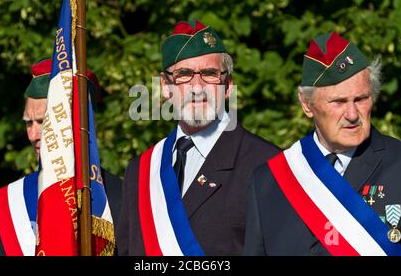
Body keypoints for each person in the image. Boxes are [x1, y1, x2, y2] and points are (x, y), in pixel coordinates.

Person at [116, 19, 279, 256]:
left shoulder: (267, 164)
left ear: (228, 85)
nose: (197, 87)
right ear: (165, 85)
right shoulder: (140, 171)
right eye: (184, 75)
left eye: (210, 74)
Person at [243, 32, 401, 256]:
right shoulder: (269, 180)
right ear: (306, 104)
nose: (352, 114)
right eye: (338, 102)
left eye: (361, 99)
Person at [0, 58, 122, 256]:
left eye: (43, 122)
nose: (32, 135)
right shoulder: (4, 204)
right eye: (29, 123)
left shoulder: (121, 197)